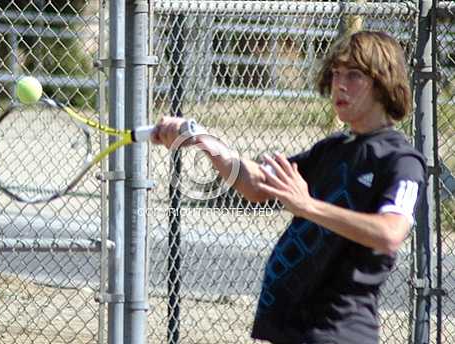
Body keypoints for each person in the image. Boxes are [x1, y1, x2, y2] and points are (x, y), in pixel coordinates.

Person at [151, 31, 426, 344]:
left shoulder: (400, 160)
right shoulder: (332, 148)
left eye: (353, 74)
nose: (339, 84)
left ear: (382, 83)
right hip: (293, 331)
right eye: (336, 73)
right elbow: (256, 185)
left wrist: (307, 206)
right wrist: (203, 140)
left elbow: (390, 233)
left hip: (339, 334)